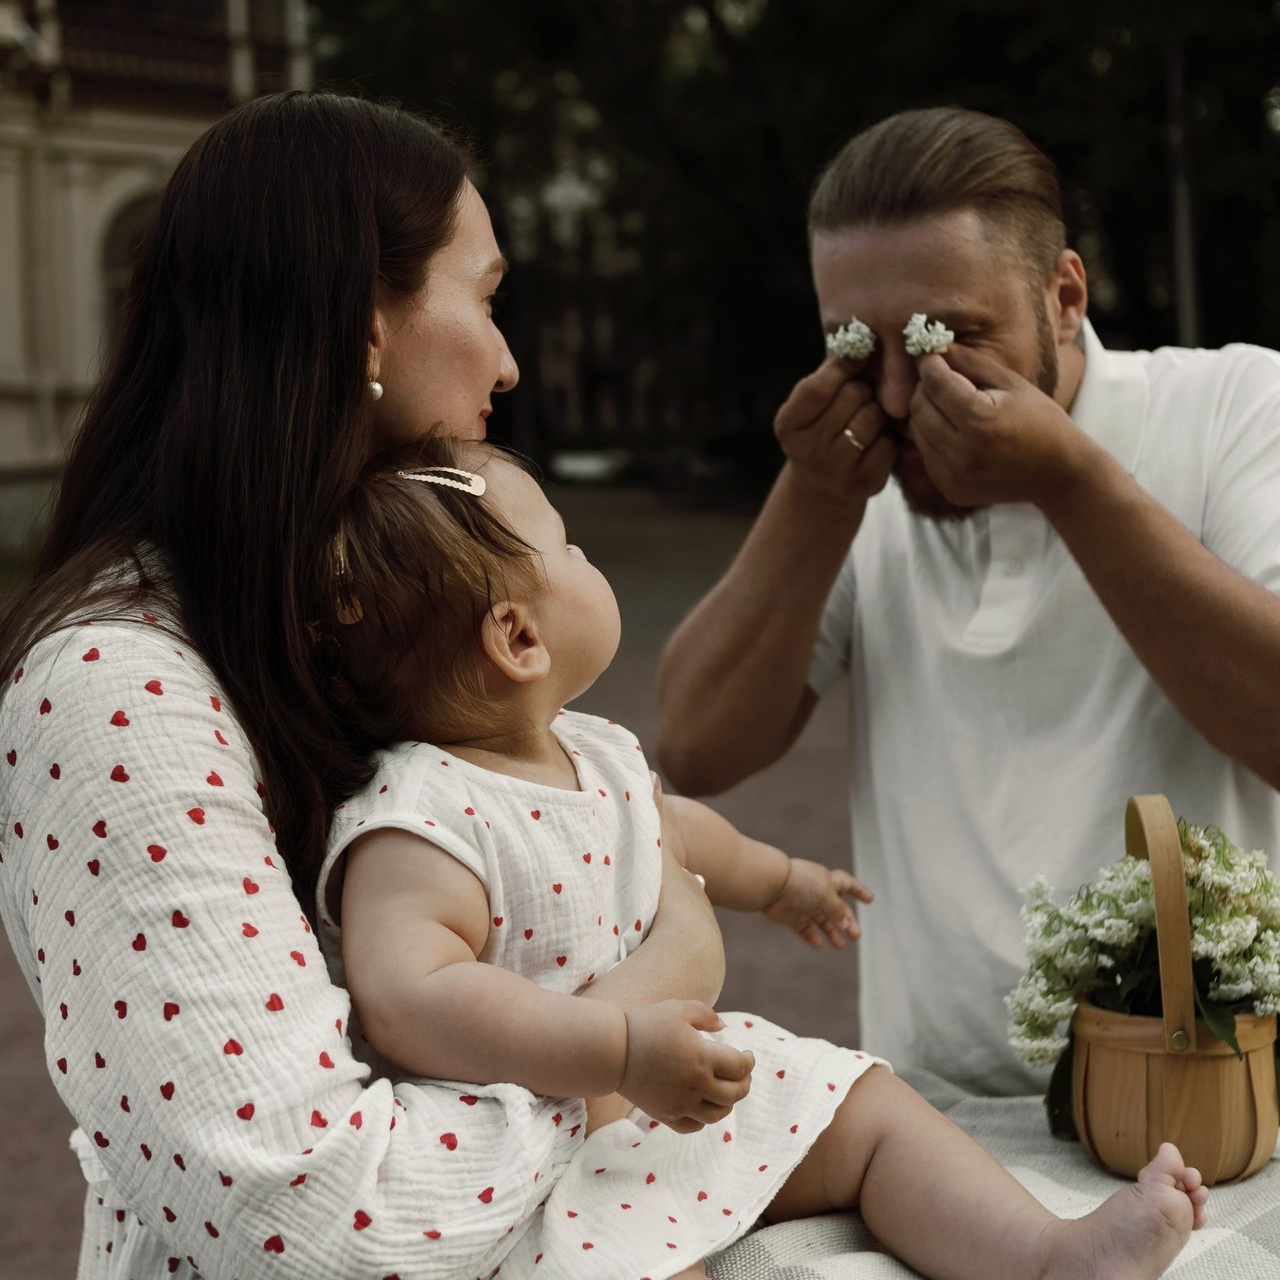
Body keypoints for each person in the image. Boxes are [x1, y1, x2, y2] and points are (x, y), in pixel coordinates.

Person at [0, 90, 724, 1280]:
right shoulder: (113, 683)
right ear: (363, 324)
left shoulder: (322, 615)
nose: (508, 356)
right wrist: (637, 1021)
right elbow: (309, 1210)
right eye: (484, 297)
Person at [312, 433, 1208, 1280]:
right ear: (519, 639)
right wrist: (616, 1045)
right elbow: (408, 996)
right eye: (572, 546)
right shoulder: (420, 813)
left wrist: (781, 881)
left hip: (661, 1093)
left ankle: (1047, 1255)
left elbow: (678, 830)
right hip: (532, 1154)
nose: (590, 559)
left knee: (859, 1106)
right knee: (625, 1257)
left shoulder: (591, 751)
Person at [655, 105, 1280, 1096]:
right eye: (857, 347)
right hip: (932, 1123)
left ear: (1063, 296)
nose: (900, 395)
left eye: (950, 337)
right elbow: (696, 743)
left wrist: (1070, 481)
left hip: (1207, 1094)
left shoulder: (1233, 404)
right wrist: (814, 491)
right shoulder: (865, 475)